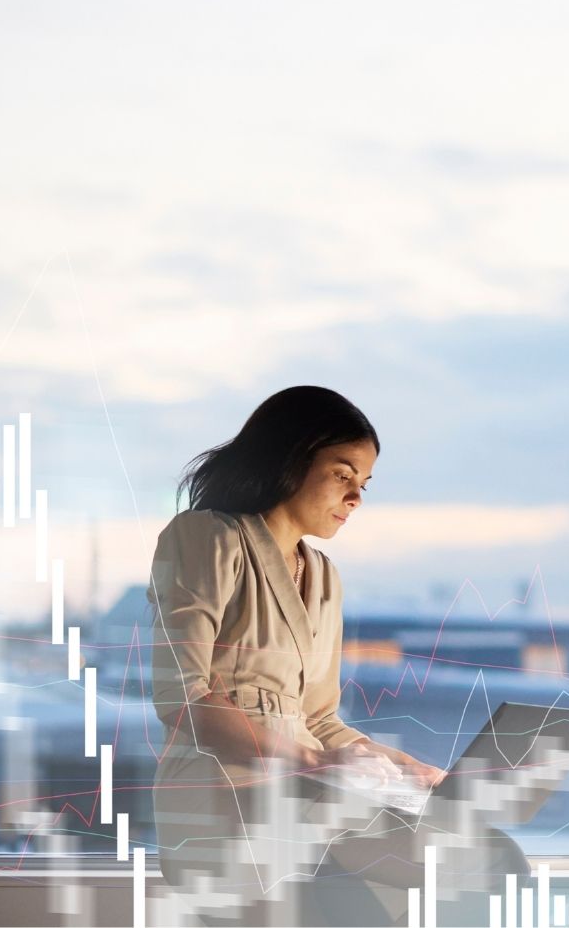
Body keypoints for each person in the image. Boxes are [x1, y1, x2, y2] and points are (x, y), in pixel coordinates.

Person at [147, 385, 528, 925]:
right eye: (342, 474)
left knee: (495, 859)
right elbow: (183, 699)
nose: (356, 497)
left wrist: (414, 770)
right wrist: (316, 762)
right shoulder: (207, 538)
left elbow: (320, 719)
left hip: (309, 792)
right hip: (225, 792)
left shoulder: (323, 577)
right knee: (472, 867)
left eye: (364, 483)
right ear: (289, 461)